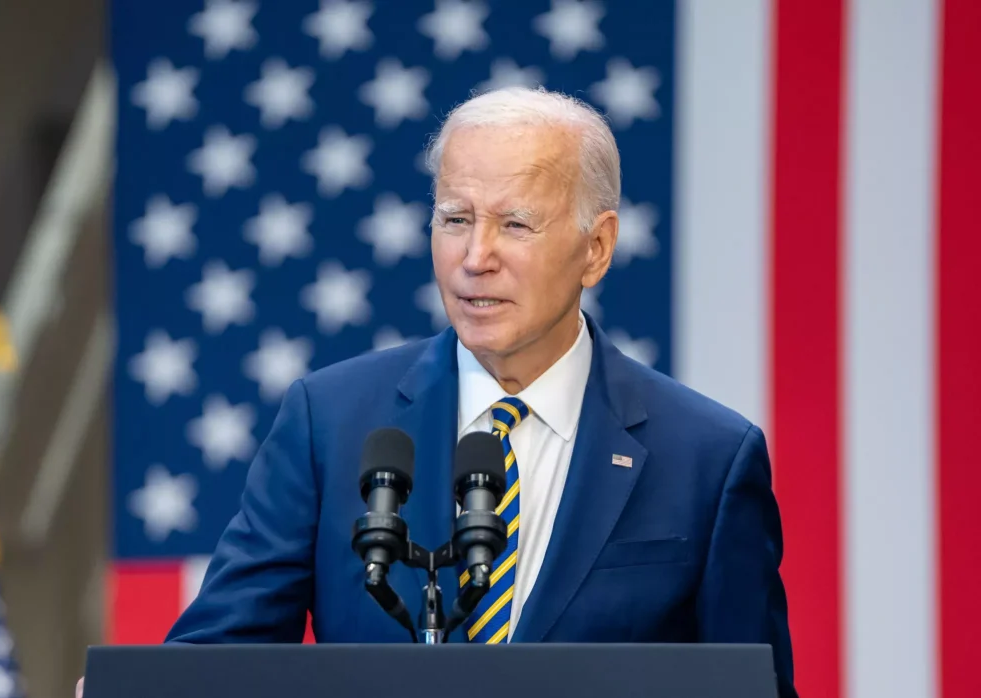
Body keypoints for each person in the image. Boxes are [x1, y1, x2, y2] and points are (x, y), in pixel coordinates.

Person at [77, 86, 796, 698]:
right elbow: (220, 654)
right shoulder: (329, 424)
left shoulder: (707, 459)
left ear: (596, 248)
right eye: (455, 219)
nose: (475, 257)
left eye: (515, 224)